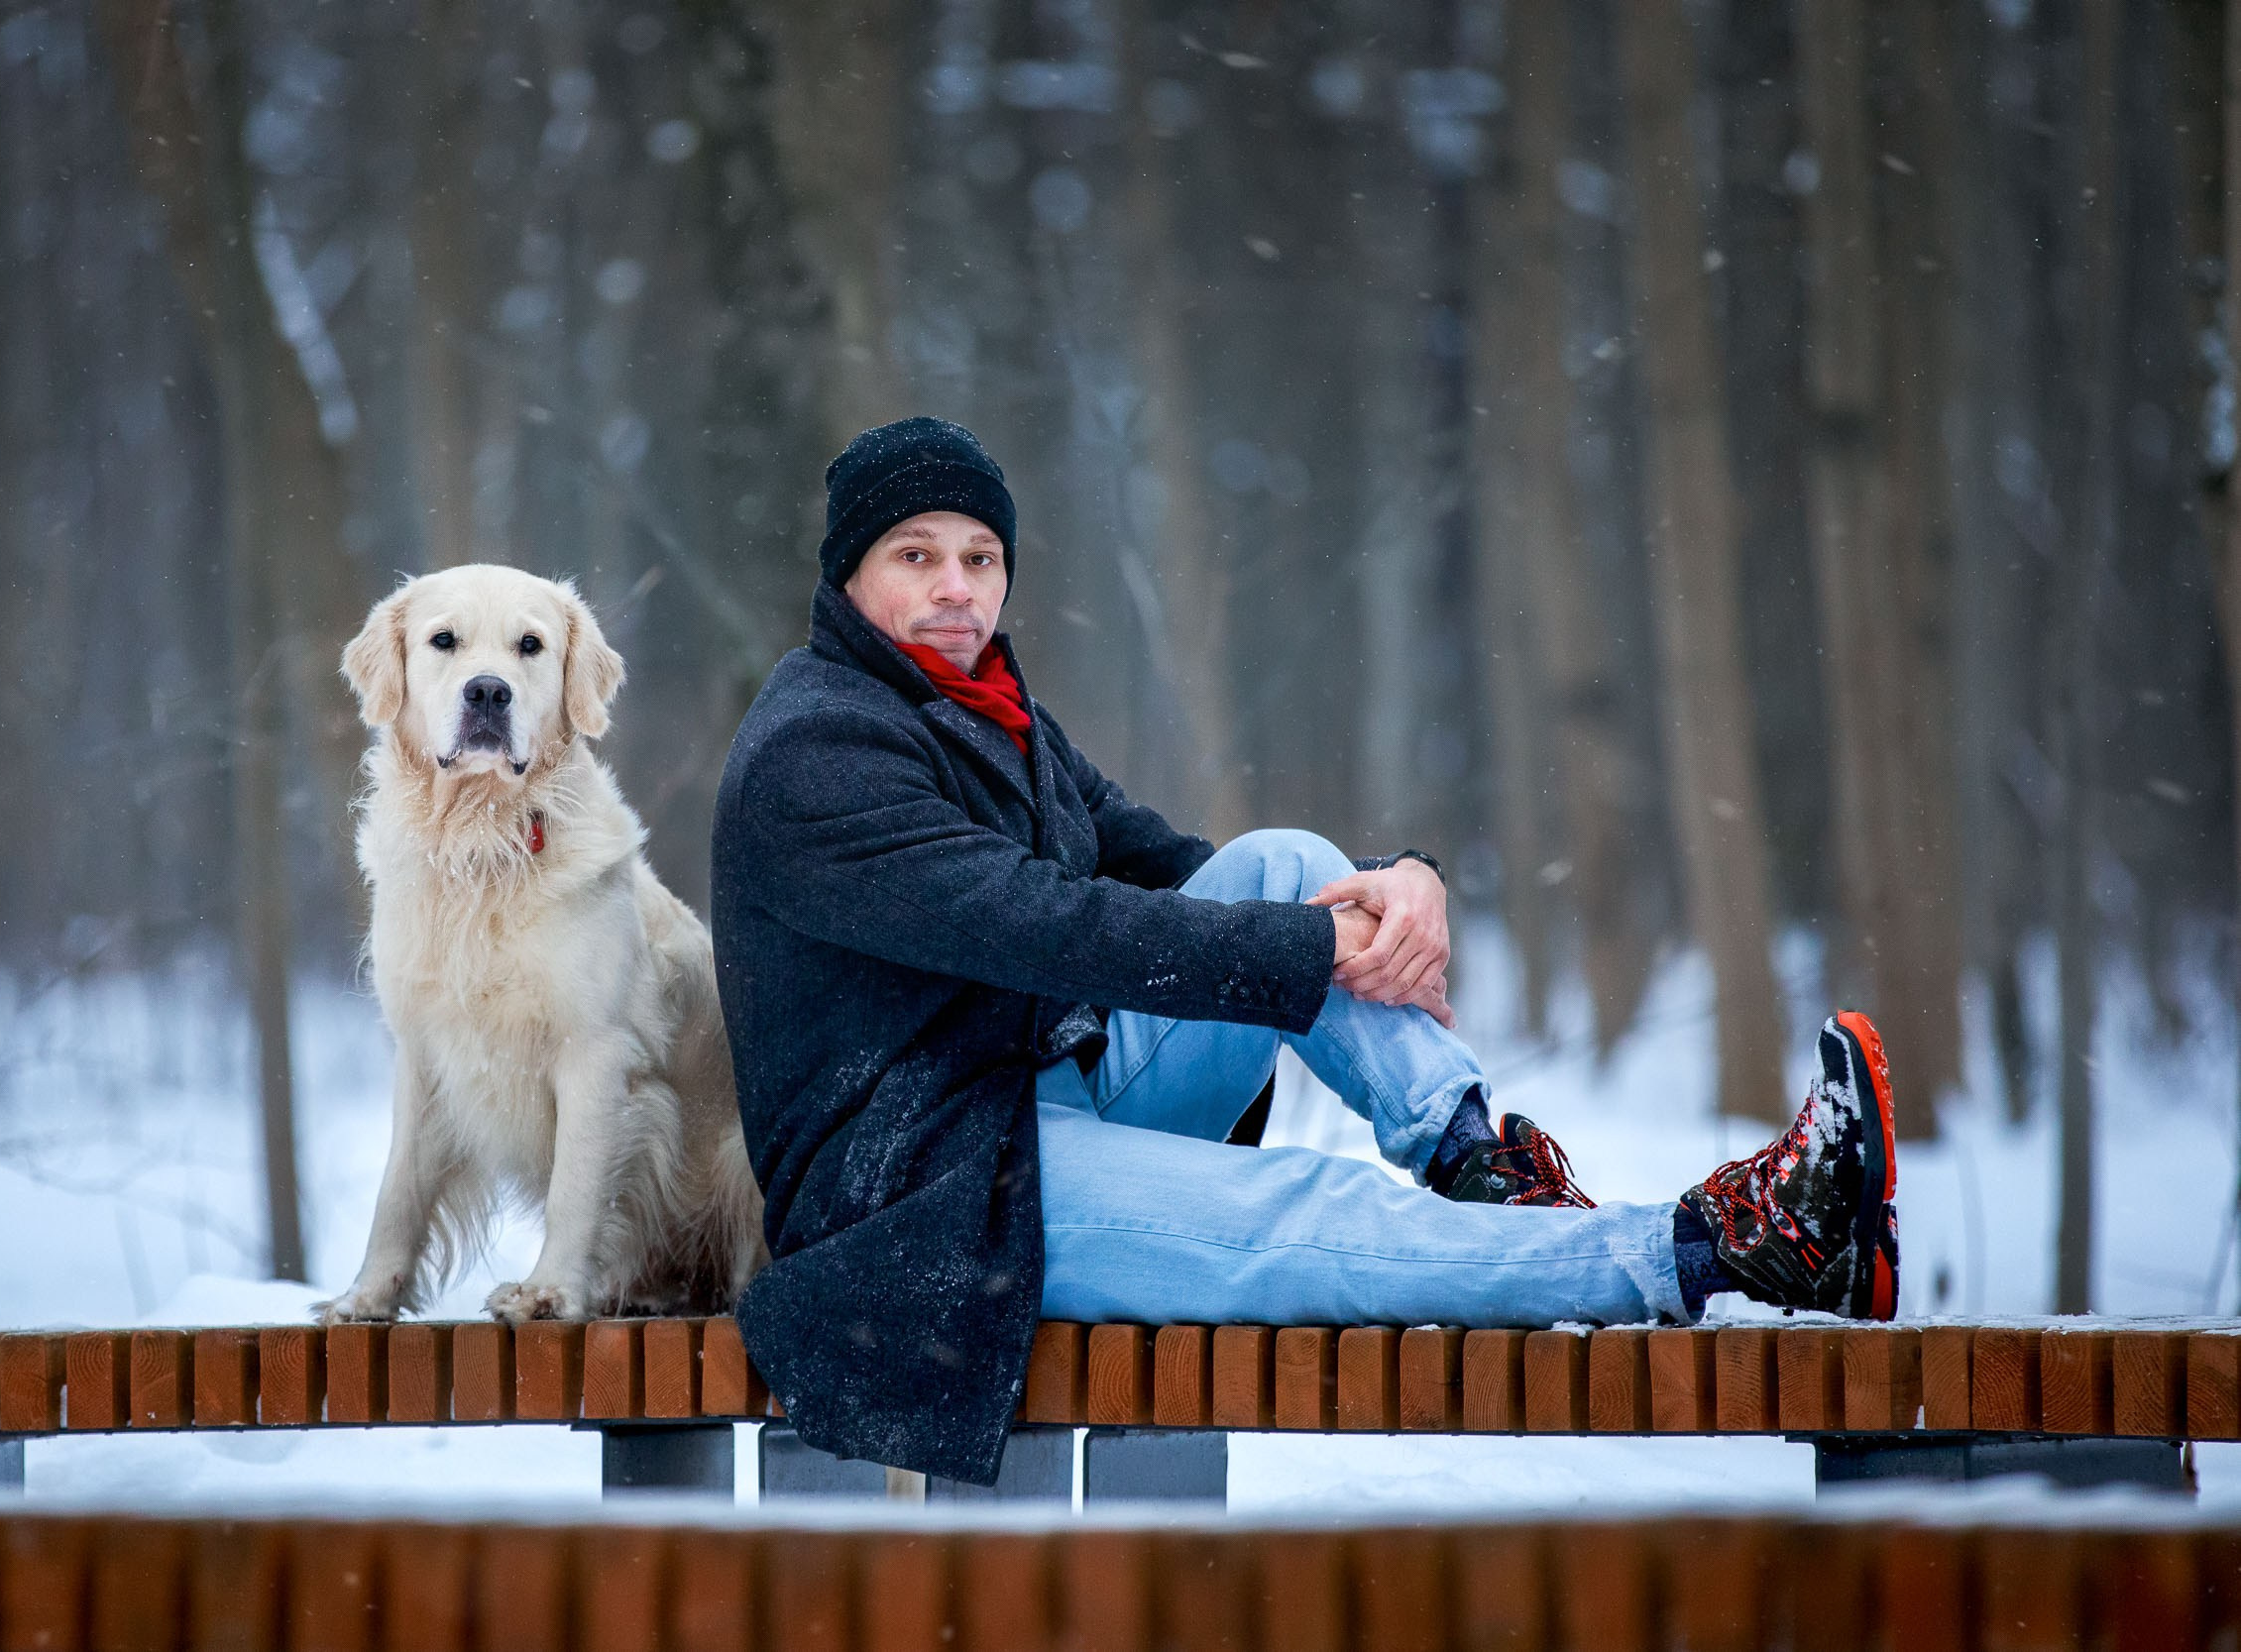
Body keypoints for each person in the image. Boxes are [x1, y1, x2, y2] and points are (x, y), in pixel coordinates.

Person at [711, 417, 1899, 1486]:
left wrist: (1398, 880)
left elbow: (1172, 870)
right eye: (915, 554)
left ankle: (1480, 1162)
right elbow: (1041, 923)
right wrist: (1310, 950)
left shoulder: (989, 713)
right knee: (1303, 1204)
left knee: (1283, 860)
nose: (956, 587)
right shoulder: (815, 751)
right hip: (923, 1195)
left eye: (980, 556)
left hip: (1027, 1092)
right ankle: (1719, 1245)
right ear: (848, 575)